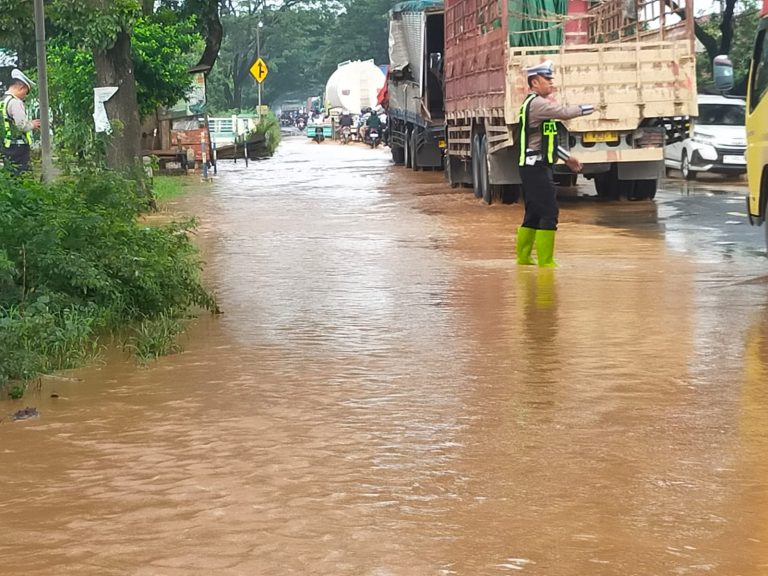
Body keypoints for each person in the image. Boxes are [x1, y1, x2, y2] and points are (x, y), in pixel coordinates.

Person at [516, 60, 593, 267]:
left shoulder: (536, 105)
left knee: (533, 212)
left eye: (551, 79)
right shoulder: (538, 104)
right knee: (550, 212)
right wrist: (592, 107)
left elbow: (545, 141)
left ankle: (524, 259)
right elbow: (566, 113)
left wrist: (567, 157)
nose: (551, 83)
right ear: (534, 82)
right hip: (535, 167)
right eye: (547, 79)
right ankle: (546, 263)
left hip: (535, 165)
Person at [0, 69, 40, 175]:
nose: (25, 96)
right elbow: (21, 125)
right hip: (18, 147)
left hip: (6, 145)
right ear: (21, 87)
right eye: (25, 92)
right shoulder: (15, 102)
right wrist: (33, 124)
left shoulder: (3, 101)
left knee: (10, 174)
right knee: (21, 175)